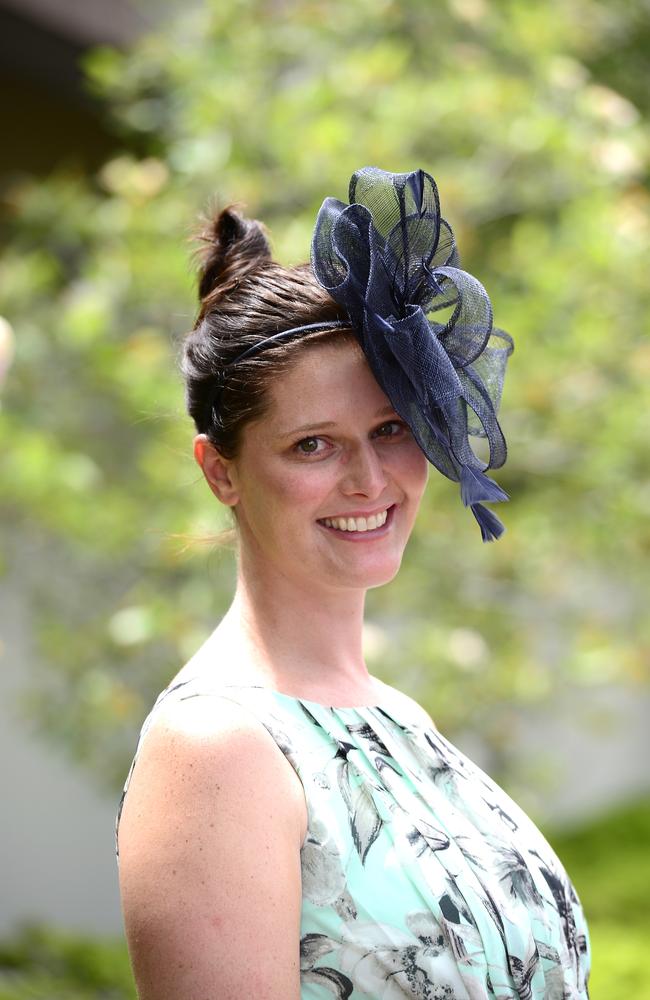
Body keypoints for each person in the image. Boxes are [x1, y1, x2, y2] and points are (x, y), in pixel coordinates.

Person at [114, 168, 591, 999]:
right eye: (313, 445)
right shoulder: (219, 748)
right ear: (221, 473)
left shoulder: (396, 718)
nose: (370, 480)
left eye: (390, 429)